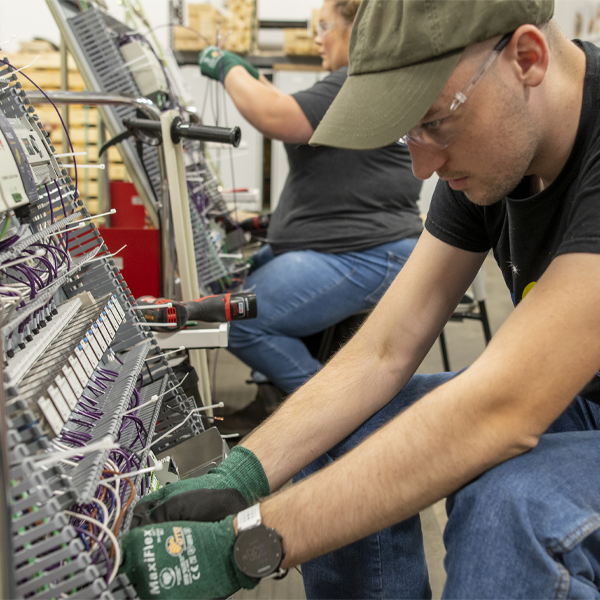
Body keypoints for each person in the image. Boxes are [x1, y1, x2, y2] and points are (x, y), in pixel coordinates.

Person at [120, 0, 600, 598]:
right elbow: (383, 350)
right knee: (351, 427)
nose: (422, 167)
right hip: (581, 402)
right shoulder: (489, 159)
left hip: (563, 406)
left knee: (511, 508)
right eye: (407, 133)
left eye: (434, 122)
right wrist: (241, 474)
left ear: (527, 58)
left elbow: (503, 408)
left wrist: (247, 543)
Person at [196, 0, 423, 427]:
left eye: (323, 25)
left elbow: (274, 113)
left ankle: (334, 423)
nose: (316, 37)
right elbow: (333, 169)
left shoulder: (355, 82)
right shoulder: (369, 84)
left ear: (357, 27)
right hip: (357, 246)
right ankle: (273, 404)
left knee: (235, 316)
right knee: (241, 280)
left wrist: (225, 65)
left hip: (368, 253)